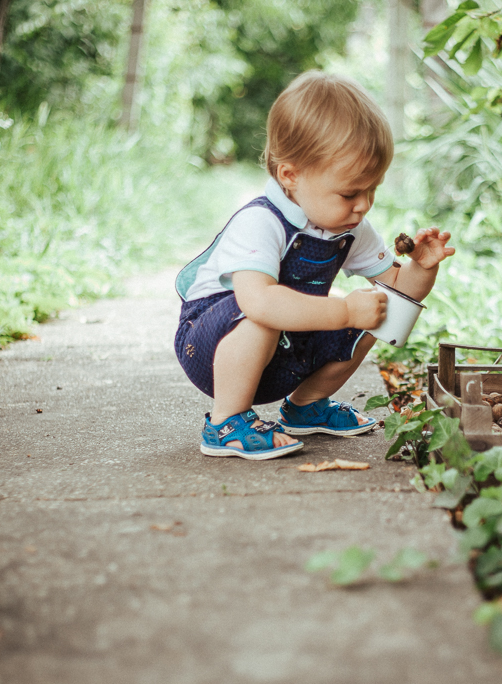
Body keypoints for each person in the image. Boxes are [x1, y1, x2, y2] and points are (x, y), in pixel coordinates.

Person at [173, 71, 454, 459]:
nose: (364, 204)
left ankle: (306, 407)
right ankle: (225, 421)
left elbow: (397, 291)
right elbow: (257, 303)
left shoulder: (350, 226)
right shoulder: (262, 223)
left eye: (373, 189)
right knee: (266, 310)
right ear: (291, 175)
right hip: (214, 346)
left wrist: (422, 269)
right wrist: (342, 310)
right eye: (350, 192)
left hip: (286, 349)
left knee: (381, 313)